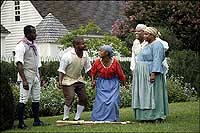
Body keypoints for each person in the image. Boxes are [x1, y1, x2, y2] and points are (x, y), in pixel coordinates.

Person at [132, 27, 169, 122]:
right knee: (143, 94)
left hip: (150, 72)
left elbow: (157, 59)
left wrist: (153, 73)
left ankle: (155, 115)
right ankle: (143, 116)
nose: (144, 36)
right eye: (144, 34)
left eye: (147, 34)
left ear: (152, 35)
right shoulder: (147, 45)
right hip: (142, 73)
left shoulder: (157, 45)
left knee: (152, 94)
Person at [15, 25, 44, 129]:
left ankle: (36, 121)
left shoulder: (35, 46)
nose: (35, 34)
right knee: (23, 99)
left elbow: (38, 62)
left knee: (36, 99)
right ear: (27, 34)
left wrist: (40, 77)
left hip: (35, 75)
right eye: (33, 33)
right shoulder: (21, 45)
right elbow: (19, 63)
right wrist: (24, 80)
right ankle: (21, 123)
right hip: (26, 75)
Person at [90, 45, 128, 122]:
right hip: (101, 83)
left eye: (101, 51)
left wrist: (125, 84)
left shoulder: (115, 62)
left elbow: (120, 74)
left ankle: (111, 119)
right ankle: (98, 118)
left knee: (113, 101)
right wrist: (93, 81)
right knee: (101, 102)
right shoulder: (97, 62)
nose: (99, 52)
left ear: (107, 53)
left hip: (113, 83)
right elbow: (93, 72)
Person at [58, 36, 92, 121]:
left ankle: (77, 117)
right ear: (76, 45)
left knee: (83, 97)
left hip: (78, 79)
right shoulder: (67, 56)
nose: (85, 45)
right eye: (82, 44)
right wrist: (60, 81)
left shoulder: (85, 55)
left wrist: (93, 79)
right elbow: (61, 70)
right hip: (67, 79)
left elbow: (88, 68)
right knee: (70, 97)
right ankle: (65, 117)